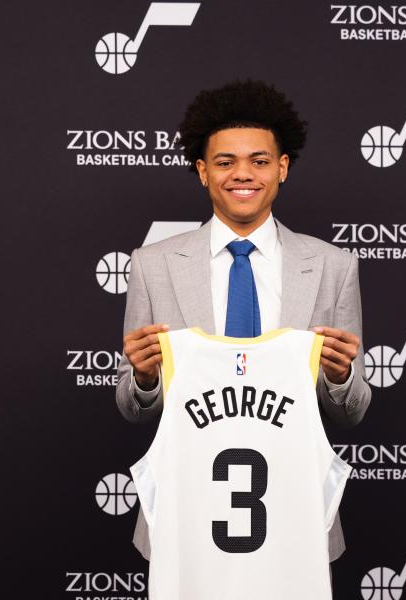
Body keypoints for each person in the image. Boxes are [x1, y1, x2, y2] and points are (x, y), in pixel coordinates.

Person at [115, 78, 372, 563]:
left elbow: (352, 411)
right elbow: (132, 406)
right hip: (184, 504)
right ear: (202, 172)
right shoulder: (153, 264)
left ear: (282, 168)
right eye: (225, 162)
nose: (243, 175)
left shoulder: (331, 265)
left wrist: (339, 378)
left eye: (258, 160)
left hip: (295, 505)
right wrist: (145, 378)